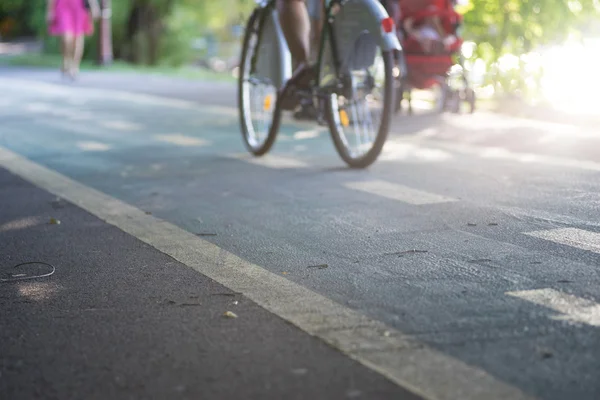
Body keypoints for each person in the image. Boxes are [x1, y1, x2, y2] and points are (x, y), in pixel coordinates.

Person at [47, 0, 100, 79]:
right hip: (63, 6)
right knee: (66, 38)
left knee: (78, 39)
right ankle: (66, 59)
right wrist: (50, 10)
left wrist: (94, 6)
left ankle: (75, 66)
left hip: (79, 7)